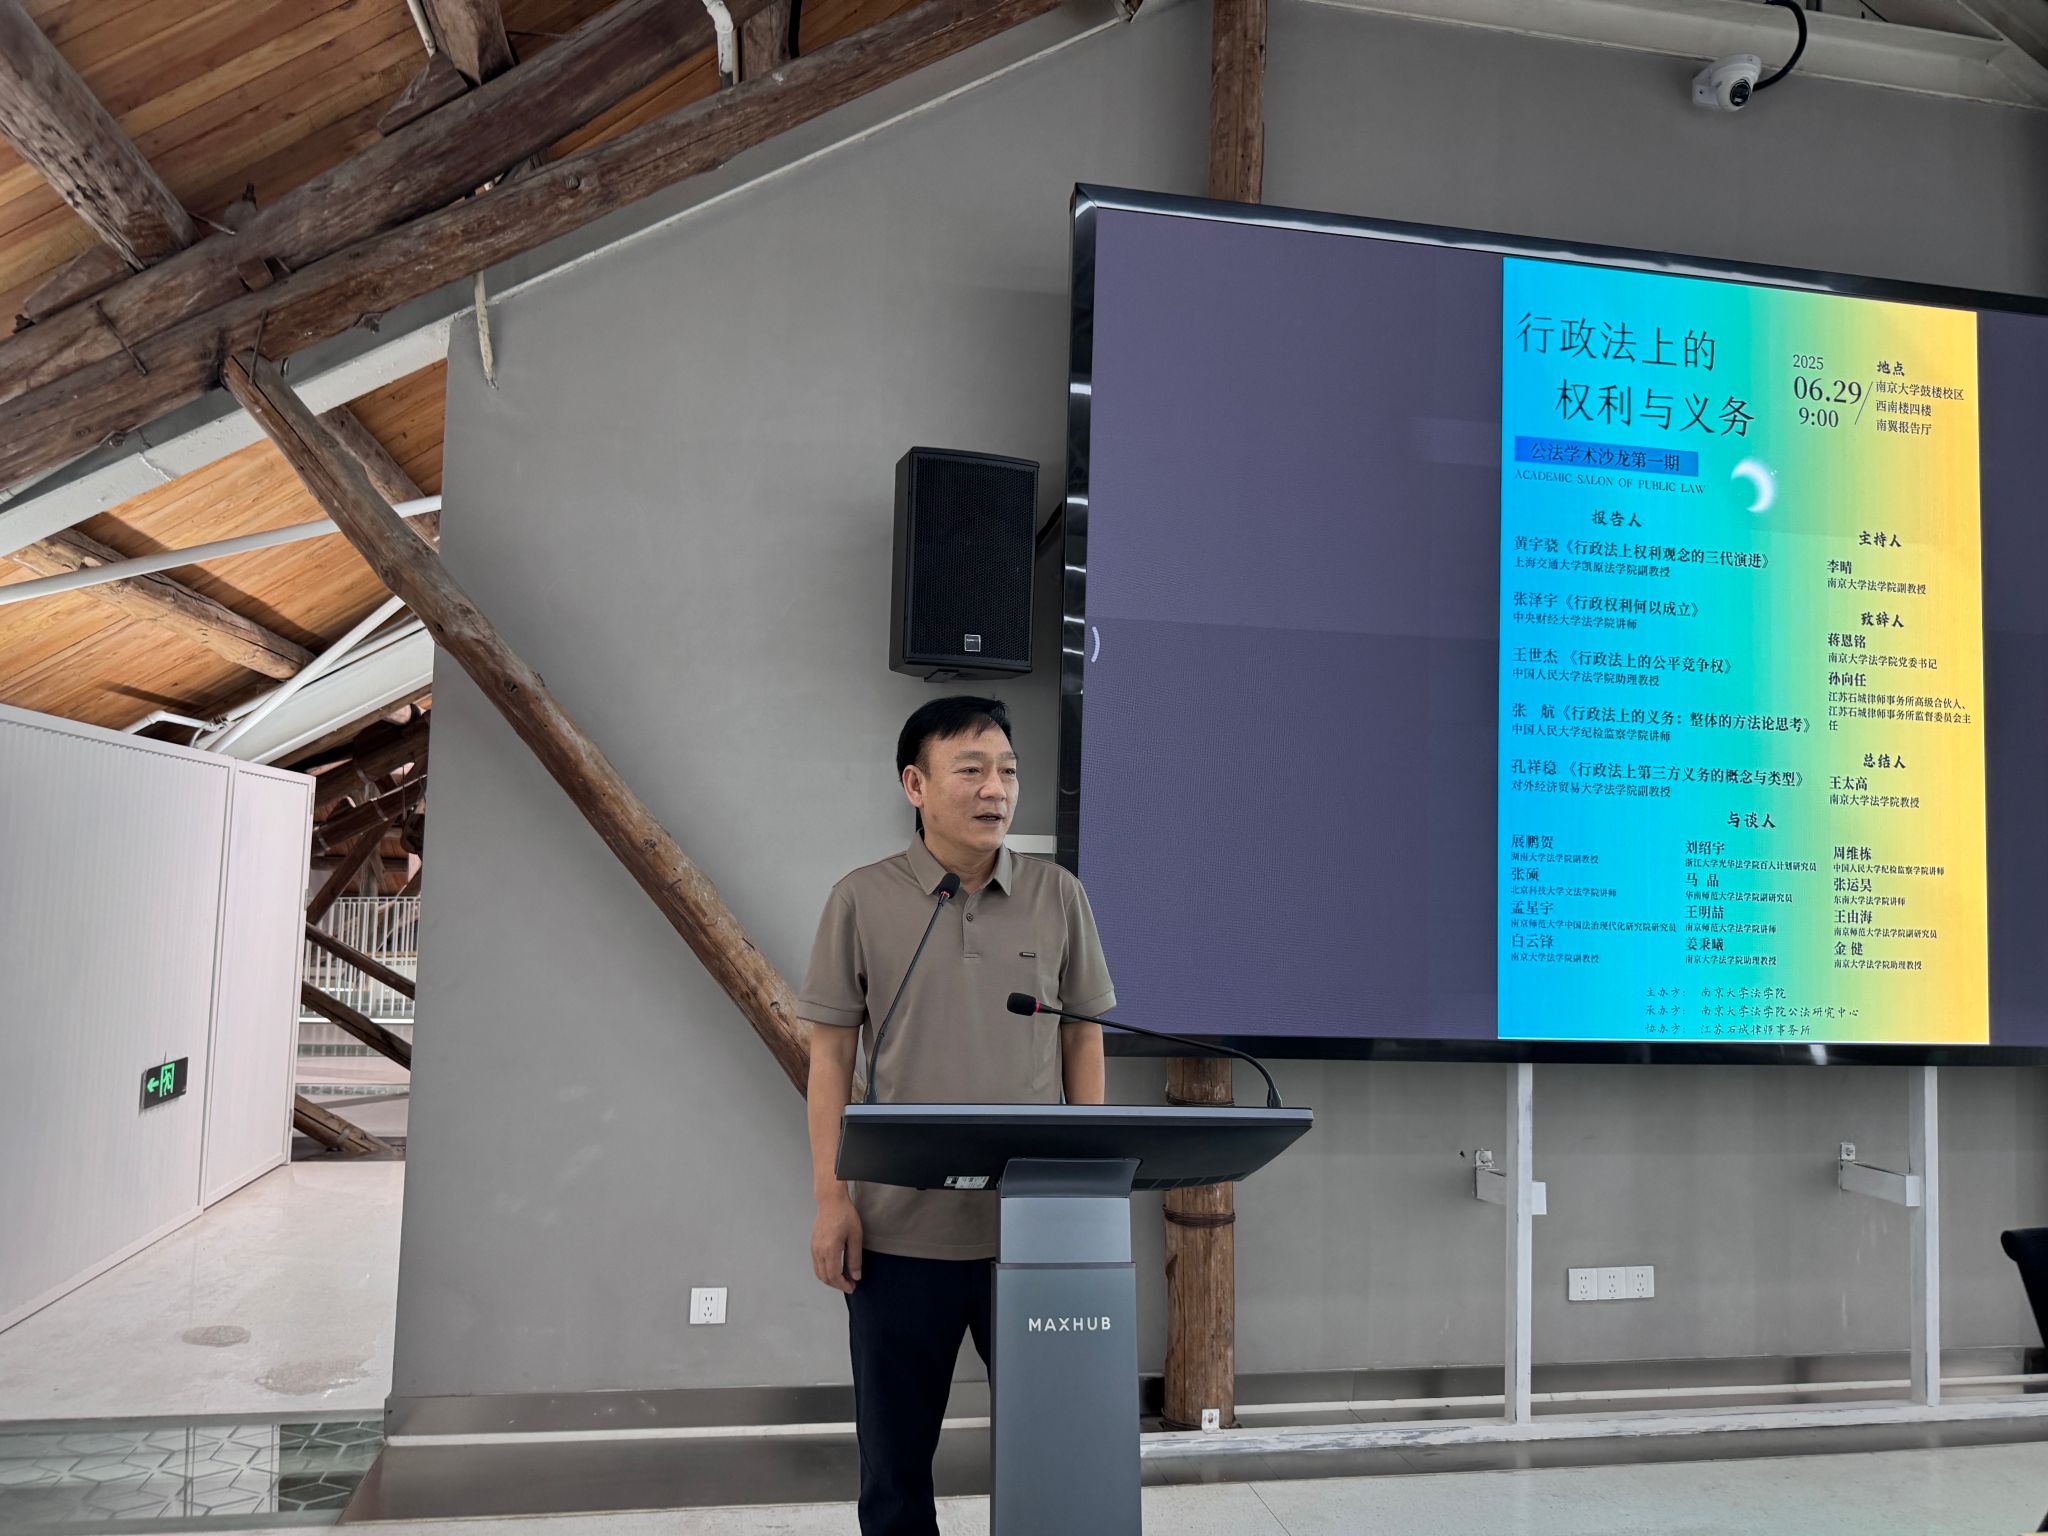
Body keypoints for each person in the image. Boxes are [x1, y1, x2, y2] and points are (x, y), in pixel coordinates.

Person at [799, 695, 1116, 1536]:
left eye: (1007, 771)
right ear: (915, 785)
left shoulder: (1058, 894)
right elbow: (828, 1059)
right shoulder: (860, 899)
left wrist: (1086, 1190)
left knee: (1058, 1455)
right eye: (971, 770)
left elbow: (1082, 1037)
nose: (995, 789)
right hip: (898, 1236)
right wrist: (832, 1199)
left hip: (1032, 1234)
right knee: (896, 1470)